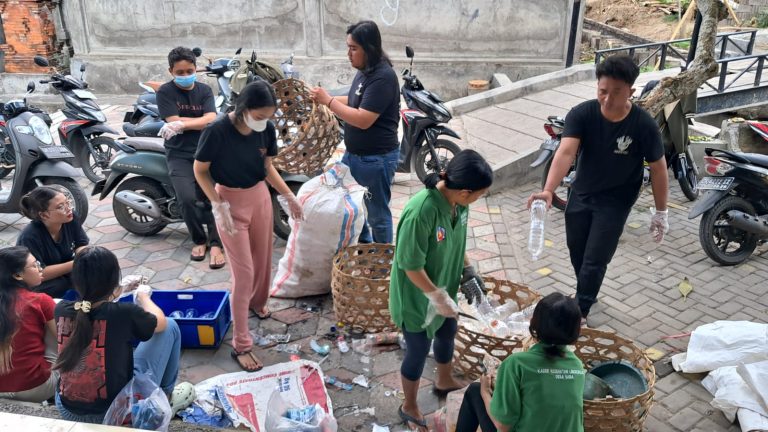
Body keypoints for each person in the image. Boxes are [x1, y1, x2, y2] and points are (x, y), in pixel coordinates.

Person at [527, 54, 669, 322]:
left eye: (616, 92)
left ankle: (580, 311)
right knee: (577, 250)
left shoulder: (643, 125)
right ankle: (586, 290)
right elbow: (566, 152)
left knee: (595, 259)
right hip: (581, 192)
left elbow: (659, 168)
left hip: (616, 200)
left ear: (631, 91)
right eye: (603, 91)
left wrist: (661, 212)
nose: (608, 98)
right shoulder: (582, 114)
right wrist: (548, 190)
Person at [193, 81, 304, 372]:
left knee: (264, 260)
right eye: (259, 115)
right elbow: (200, 170)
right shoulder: (216, 131)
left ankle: (257, 302)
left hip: (259, 197)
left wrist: (288, 196)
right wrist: (217, 203)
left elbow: (267, 167)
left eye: (268, 116)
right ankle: (241, 344)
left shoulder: (265, 129)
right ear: (243, 109)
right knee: (243, 274)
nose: (263, 122)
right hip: (229, 202)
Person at [389, 150, 493, 431]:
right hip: (416, 297)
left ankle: (443, 379)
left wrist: (468, 271)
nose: (478, 199)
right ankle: (408, 405)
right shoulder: (421, 211)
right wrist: (436, 297)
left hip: (445, 288)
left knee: (448, 332)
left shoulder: (460, 205)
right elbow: (410, 266)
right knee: (418, 349)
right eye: (479, 194)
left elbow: (457, 244)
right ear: (465, 191)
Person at [54, 246, 189, 424]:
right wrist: (143, 297)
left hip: (67, 409)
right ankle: (161, 399)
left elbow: (94, 308)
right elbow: (160, 322)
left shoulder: (61, 308)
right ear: (113, 281)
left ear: (76, 281)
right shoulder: (123, 313)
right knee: (170, 326)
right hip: (114, 412)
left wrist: (119, 290)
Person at [310, 20, 400, 244]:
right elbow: (353, 101)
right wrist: (323, 100)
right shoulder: (364, 72)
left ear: (368, 48)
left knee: (378, 214)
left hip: (375, 159)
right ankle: (367, 247)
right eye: (347, 47)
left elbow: (363, 119)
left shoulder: (383, 77)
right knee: (351, 206)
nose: (348, 54)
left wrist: (328, 101)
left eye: (353, 48)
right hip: (355, 156)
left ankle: (383, 261)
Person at [456, 292, 585, 432]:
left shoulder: (516, 364)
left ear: (534, 324)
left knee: (475, 391)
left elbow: (503, 426)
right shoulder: (577, 365)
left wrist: (485, 392)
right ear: (576, 332)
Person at [156, 46, 225, 269]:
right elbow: (173, 119)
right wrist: (195, 121)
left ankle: (216, 243)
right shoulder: (165, 92)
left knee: (215, 196)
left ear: (196, 69)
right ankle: (199, 239)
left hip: (207, 151)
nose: (185, 76)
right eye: (180, 72)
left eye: (189, 71)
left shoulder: (204, 90)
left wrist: (182, 123)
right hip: (178, 154)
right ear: (171, 71)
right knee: (185, 198)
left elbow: (211, 118)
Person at [0, 246, 57, 402]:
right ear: (17, 275)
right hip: (35, 387)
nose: (40, 268)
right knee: (58, 322)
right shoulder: (39, 301)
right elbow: (64, 340)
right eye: (34, 265)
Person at [16, 186, 89, 298]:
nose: (68, 208)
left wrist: (83, 256)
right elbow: (38, 273)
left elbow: (81, 244)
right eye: (61, 207)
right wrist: (76, 263)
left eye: (67, 202)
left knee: (95, 269)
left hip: (66, 272)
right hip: (40, 281)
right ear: (44, 215)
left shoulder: (71, 217)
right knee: (62, 285)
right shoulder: (29, 237)